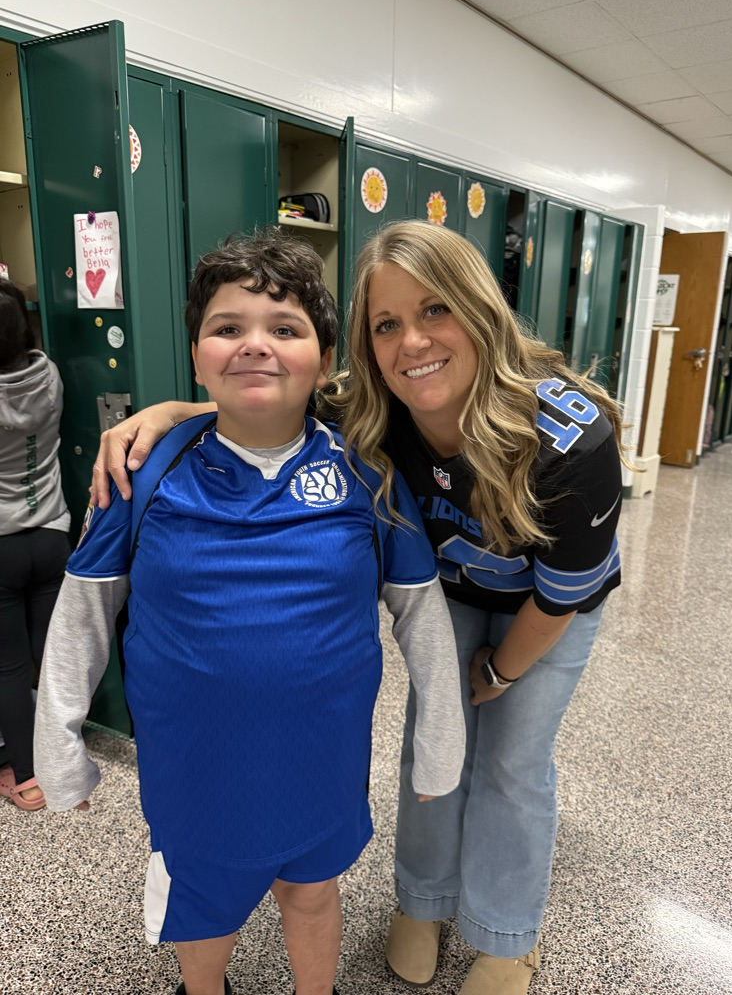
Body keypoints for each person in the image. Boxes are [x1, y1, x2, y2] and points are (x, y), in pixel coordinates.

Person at [90, 220, 626, 995]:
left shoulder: (573, 442)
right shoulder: (368, 408)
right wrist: (168, 415)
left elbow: (563, 592)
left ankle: (506, 936)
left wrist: (502, 671)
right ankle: (423, 903)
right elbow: (258, 398)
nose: (414, 342)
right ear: (367, 346)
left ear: (481, 311)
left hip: (544, 607)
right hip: (449, 589)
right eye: (387, 324)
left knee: (509, 760)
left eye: (436, 310)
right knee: (428, 750)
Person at [34, 228, 465, 995]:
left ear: (325, 360)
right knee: (203, 908)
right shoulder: (144, 469)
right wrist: (59, 744)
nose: (255, 346)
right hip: (193, 765)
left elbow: (422, 619)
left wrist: (439, 741)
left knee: (312, 891)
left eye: (285, 330)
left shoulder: (364, 475)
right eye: (228, 329)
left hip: (320, 761)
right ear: (197, 352)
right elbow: (83, 615)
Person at [0, 279, 70, 812]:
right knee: (49, 658)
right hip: (50, 534)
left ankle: (24, 778)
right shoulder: (47, 375)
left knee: (10, 667)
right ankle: (56, 761)